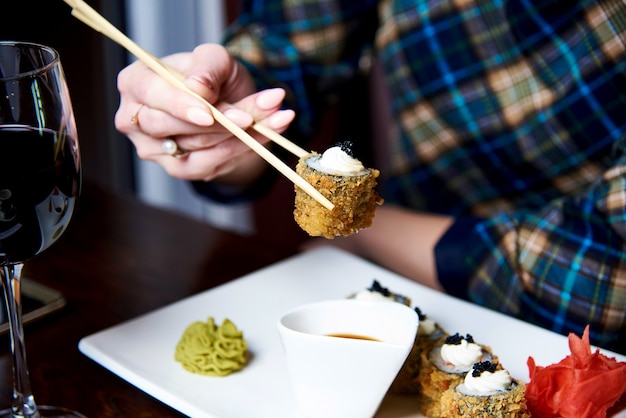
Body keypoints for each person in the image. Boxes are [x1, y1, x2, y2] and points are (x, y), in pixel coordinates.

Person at [115, 0, 626, 353]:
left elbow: (608, 272)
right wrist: (217, 124)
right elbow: (287, 49)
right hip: (413, 296)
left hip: (562, 309)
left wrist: (369, 229)